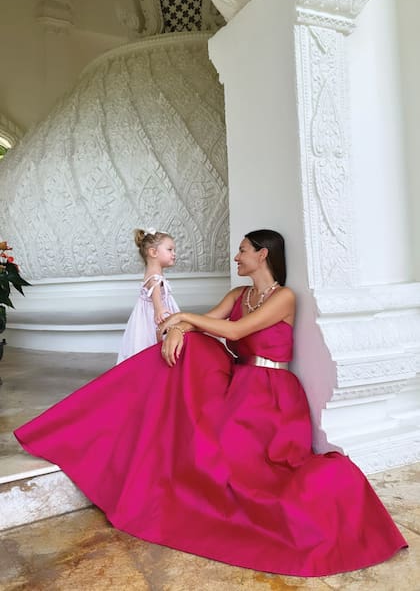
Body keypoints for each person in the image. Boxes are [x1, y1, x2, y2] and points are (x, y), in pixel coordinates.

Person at [14, 230, 407, 578]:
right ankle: (100, 423)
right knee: (188, 351)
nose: (236, 257)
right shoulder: (239, 294)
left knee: (245, 471)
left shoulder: (284, 297)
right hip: (239, 383)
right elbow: (210, 322)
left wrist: (183, 319)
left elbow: (234, 330)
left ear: (263, 255)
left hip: (274, 395)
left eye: (242, 250)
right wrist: (180, 329)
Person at [117, 227, 179, 364]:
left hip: (144, 315)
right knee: (152, 346)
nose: (174, 254)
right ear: (153, 252)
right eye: (169, 250)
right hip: (152, 317)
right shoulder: (155, 278)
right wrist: (159, 310)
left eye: (174, 250)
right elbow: (156, 296)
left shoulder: (152, 275)